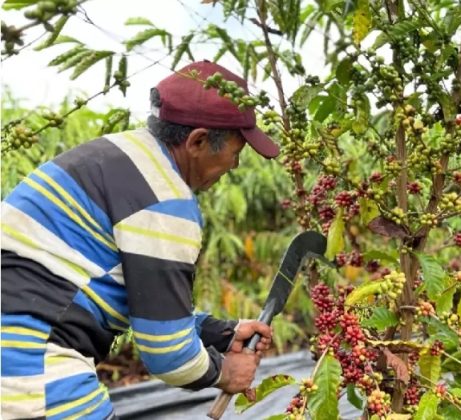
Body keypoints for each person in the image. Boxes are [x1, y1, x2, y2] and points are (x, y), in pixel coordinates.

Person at [1, 60, 281, 419]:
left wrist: (220, 333)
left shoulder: (113, 154)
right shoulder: (164, 198)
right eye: (235, 152)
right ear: (197, 141)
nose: (235, 165)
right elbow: (168, 355)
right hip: (28, 369)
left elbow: (142, 304)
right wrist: (225, 373)